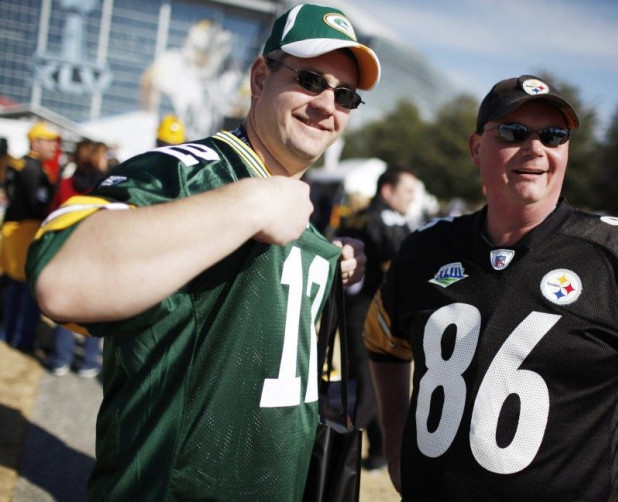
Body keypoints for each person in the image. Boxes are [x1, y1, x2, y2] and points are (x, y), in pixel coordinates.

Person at [25, 3, 380, 500]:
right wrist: (252, 200)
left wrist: (326, 256)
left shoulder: (297, 211)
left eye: (345, 95)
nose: (327, 105)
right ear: (260, 78)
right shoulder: (191, 174)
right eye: (309, 80)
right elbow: (62, 279)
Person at [364, 75, 618, 501]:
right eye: (513, 132)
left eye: (554, 135)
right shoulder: (425, 248)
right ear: (475, 148)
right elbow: (383, 342)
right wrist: (395, 444)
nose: (535, 148)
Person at [335, 165, 418, 470]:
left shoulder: (355, 214)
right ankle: (338, 443)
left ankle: (380, 452)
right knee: (370, 383)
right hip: (368, 311)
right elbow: (402, 252)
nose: (411, 199)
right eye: (407, 191)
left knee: (367, 377)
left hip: (355, 308)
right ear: (387, 191)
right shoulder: (383, 218)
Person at [45, 139, 110, 378]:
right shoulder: (108, 185)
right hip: (97, 254)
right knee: (95, 310)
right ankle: (89, 361)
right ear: (94, 157)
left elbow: (52, 215)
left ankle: (60, 359)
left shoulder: (65, 184)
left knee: (67, 308)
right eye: (103, 154)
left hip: (67, 252)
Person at [0, 121, 59, 350]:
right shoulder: (33, 168)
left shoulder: (21, 164)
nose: (54, 146)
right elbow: (38, 204)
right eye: (49, 140)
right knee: (27, 288)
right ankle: (22, 339)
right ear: (36, 142)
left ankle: (11, 333)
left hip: (15, 230)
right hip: (25, 231)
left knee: (15, 285)